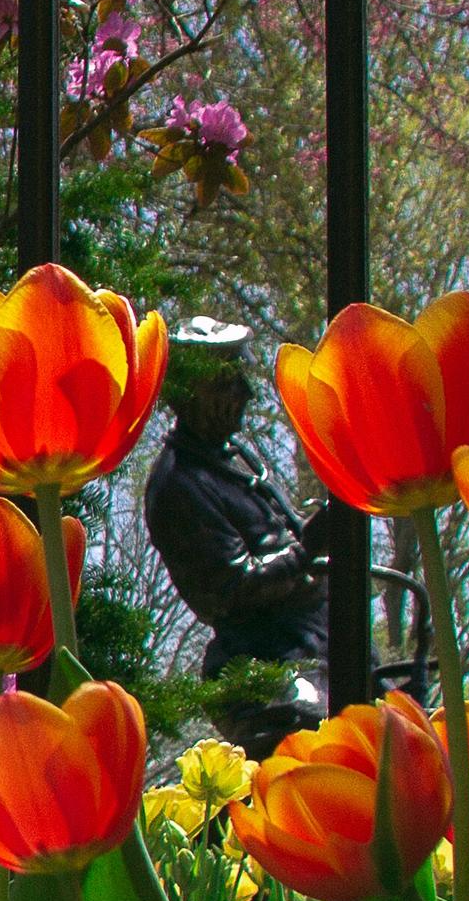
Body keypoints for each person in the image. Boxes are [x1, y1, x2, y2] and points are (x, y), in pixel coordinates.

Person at [141, 318, 329, 749]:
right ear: (192, 393)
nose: (247, 392)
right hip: (268, 662)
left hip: (315, 638)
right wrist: (307, 550)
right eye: (229, 381)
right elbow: (227, 589)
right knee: (314, 740)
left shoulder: (231, 457)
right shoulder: (178, 484)